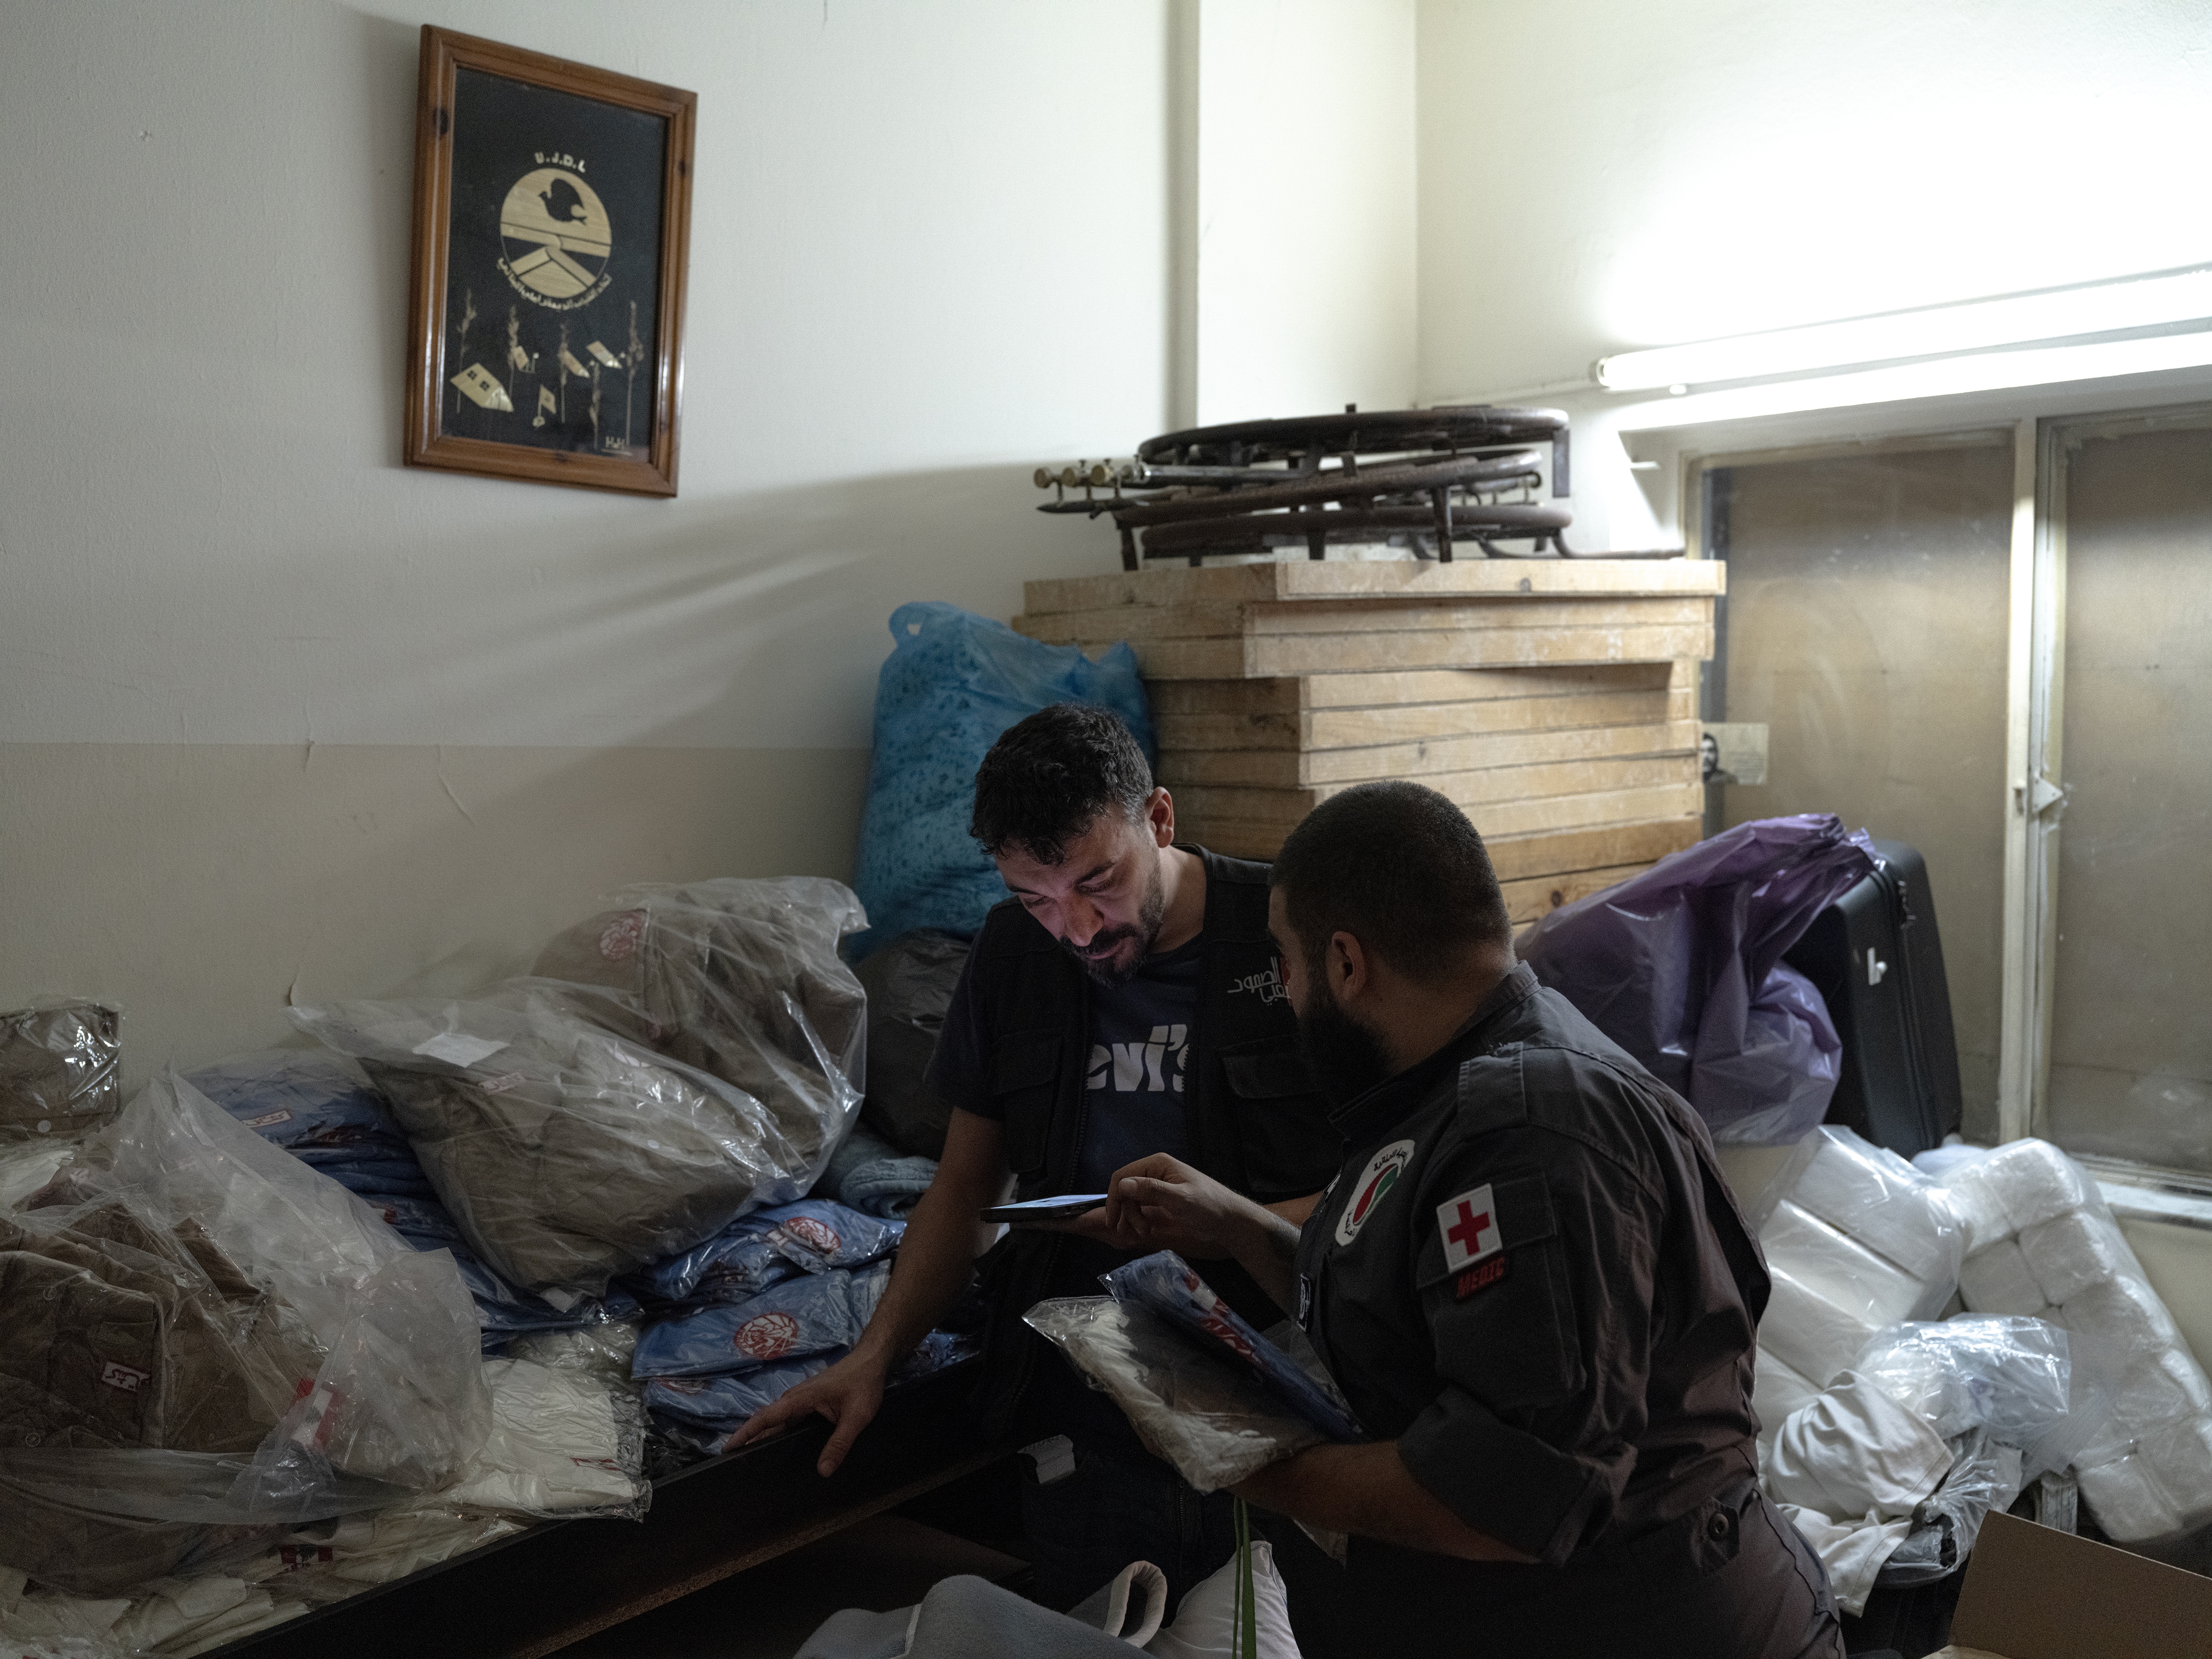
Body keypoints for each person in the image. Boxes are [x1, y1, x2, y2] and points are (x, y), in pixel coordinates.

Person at [1098, 780, 1845, 1658]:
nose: (1287, 994)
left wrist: (1242, 1458)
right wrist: (1237, 1227)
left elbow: (1502, 1495)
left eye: (1286, 963)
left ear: (1346, 962)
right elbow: (1419, 1316)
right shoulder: (1458, 1085)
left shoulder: (1527, 1129)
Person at [733, 703, 1341, 1609]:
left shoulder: (1286, 932)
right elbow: (964, 1188)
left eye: (1100, 881)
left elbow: (1375, 1198)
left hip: (1282, 1373)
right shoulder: (1016, 954)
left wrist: (1232, 1226)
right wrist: (876, 1357)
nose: (1080, 929)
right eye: (1038, 897)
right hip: (1091, 1394)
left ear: (1160, 820)